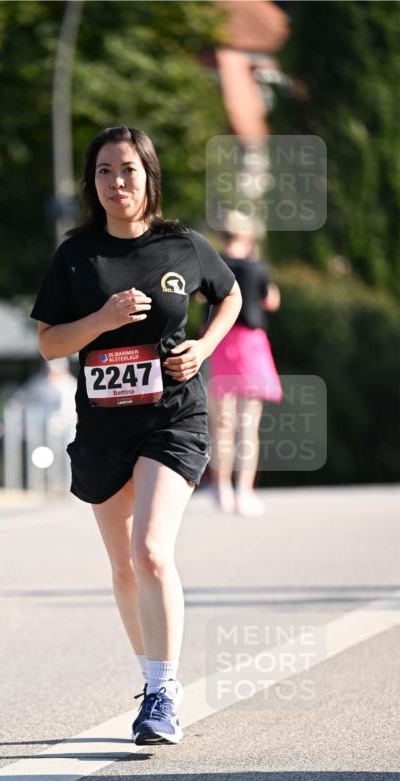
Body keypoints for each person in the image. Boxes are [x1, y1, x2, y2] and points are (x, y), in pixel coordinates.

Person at [31, 126, 241, 745]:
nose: (116, 182)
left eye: (127, 169)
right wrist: (101, 320)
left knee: (151, 550)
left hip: (172, 417)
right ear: (91, 182)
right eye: (103, 171)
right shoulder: (76, 255)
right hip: (103, 428)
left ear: (149, 175)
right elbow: (48, 344)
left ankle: (163, 691)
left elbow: (227, 298)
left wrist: (202, 347)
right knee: (124, 568)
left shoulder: (184, 246)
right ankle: (150, 675)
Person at [206, 211, 282, 516]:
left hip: (219, 339)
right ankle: (244, 492)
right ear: (248, 237)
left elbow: (201, 297)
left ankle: (221, 489)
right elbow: (271, 301)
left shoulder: (214, 265)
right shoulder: (257, 267)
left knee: (222, 424)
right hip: (250, 345)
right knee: (247, 424)